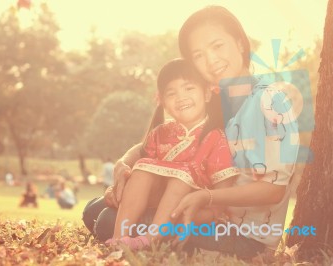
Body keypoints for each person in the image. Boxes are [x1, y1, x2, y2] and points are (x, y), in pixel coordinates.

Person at [83, 5, 299, 259]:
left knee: (106, 220)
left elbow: (274, 189)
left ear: (240, 43)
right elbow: (159, 140)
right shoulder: (212, 99)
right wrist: (123, 164)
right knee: (94, 209)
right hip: (196, 207)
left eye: (217, 46)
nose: (211, 60)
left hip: (243, 235)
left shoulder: (270, 101)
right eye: (198, 54)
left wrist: (206, 197)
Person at [105, 58, 239, 249]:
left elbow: (221, 197)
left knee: (181, 178)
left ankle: (150, 240)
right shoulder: (159, 133)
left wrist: (194, 217)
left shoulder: (216, 138)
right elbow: (139, 179)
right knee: (142, 169)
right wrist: (118, 192)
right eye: (171, 92)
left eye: (189, 88)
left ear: (207, 94)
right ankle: (119, 239)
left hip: (188, 215)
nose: (181, 97)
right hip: (151, 208)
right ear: (162, 101)